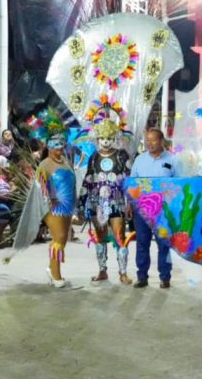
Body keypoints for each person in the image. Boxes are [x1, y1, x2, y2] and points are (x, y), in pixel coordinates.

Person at [78, 120, 133, 284]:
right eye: (102, 138)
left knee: (119, 236)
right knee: (100, 237)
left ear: (114, 137)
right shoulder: (93, 157)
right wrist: (81, 203)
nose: (106, 141)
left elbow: (130, 181)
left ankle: (123, 273)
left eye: (109, 137)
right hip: (97, 203)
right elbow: (88, 180)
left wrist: (130, 202)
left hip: (117, 202)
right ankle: (102, 270)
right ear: (97, 139)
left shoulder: (122, 155)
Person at [131, 128, 182, 288]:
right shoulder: (139, 160)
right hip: (142, 208)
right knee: (142, 242)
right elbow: (132, 184)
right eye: (148, 140)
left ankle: (165, 276)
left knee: (164, 242)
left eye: (153, 140)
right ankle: (142, 276)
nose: (150, 143)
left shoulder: (173, 160)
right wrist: (129, 204)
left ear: (161, 141)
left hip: (164, 209)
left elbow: (180, 183)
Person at [37, 135, 75, 288]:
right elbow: (39, 187)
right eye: (56, 147)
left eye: (61, 147)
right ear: (49, 147)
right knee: (59, 237)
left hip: (67, 206)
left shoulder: (66, 162)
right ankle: (55, 274)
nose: (59, 150)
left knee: (62, 239)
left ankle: (51, 267)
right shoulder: (44, 165)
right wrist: (49, 198)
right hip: (52, 207)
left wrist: (75, 207)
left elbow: (72, 185)